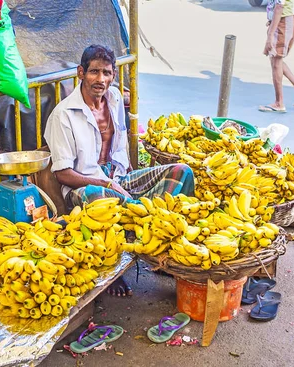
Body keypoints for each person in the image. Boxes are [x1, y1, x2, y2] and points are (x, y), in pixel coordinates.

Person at [44, 45, 195, 296]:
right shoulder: (63, 115)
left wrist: (133, 179)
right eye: (93, 72)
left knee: (181, 172)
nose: (100, 79)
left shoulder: (113, 98)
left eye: (106, 73)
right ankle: (112, 270)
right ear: (81, 73)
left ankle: (163, 250)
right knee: (98, 197)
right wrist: (106, 185)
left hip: (118, 177)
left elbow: (120, 149)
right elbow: (62, 173)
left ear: (113, 75)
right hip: (84, 188)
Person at [259, 0, 294, 113]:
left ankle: (279, 103)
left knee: (276, 59)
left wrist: (270, 34)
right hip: (290, 17)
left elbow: (279, 6)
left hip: (285, 19)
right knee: (275, 57)